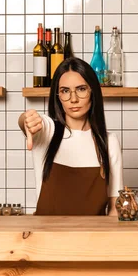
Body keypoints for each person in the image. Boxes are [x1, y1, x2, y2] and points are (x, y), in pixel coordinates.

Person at [19, 57, 123, 216]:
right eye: (65, 91)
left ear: (92, 91)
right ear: (58, 96)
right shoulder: (48, 132)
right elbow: (28, 121)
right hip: (47, 237)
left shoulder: (109, 142)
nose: (73, 99)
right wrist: (27, 120)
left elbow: (114, 208)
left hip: (93, 238)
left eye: (81, 89)